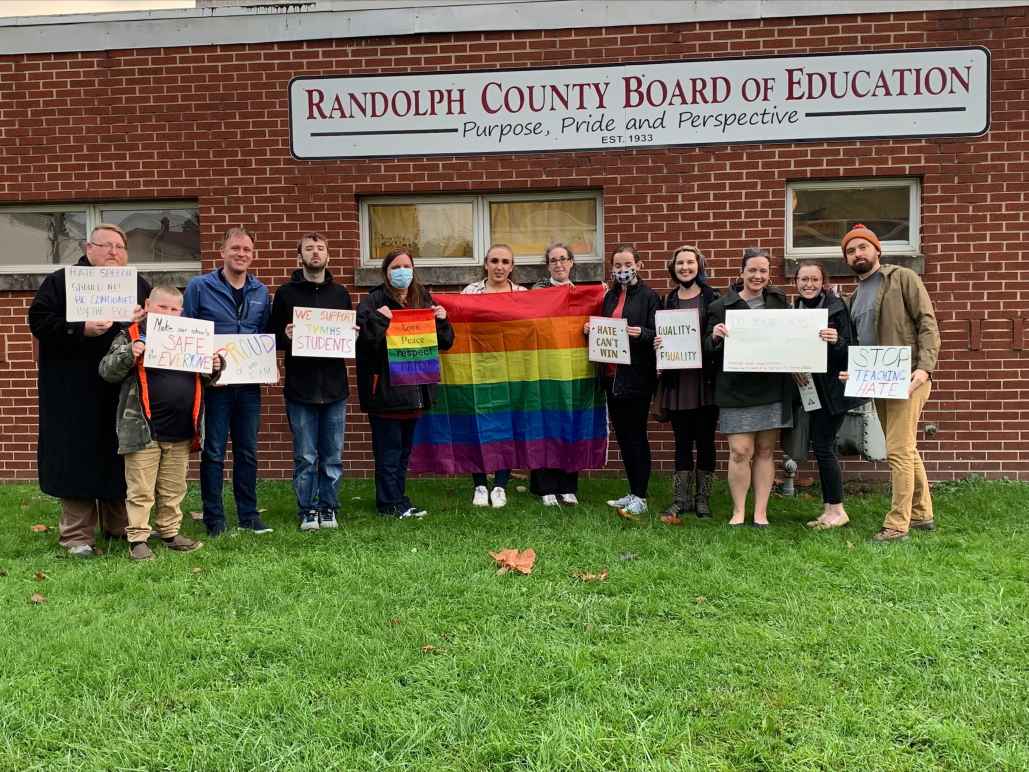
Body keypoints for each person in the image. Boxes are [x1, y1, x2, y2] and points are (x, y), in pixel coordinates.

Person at [28, 224, 149, 558]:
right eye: (106, 245)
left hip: (120, 392)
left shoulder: (137, 285)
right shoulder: (61, 282)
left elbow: (153, 328)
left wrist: (141, 319)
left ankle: (118, 526)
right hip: (72, 391)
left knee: (119, 454)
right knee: (76, 458)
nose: (113, 252)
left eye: (120, 247)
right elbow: (38, 320)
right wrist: (80, 329)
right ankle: (77, 536)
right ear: (88, 248)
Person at [99, 286, 224, 560]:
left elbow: (206, 379)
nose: (169, 313)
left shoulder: (192, 337)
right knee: (140, 489)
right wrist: (130, 353)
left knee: (173, 488)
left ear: (181, 311)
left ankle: (169, 533)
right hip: (143, 430)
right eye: (162, 307)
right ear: (148, 305)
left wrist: (215, 365)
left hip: (182, 428)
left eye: (174, 308)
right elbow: (106, 370)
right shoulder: (130, 335)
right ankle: (138, 539)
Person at [839, 224, 941, 542]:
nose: (858, 254)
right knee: (905, 448)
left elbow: (927, 323)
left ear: (877, 250)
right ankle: (923, 513)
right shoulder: (854, 296)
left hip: (908, 377)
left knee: (897, 449)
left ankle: (897, 524)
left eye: (862, 247)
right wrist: (854, 374)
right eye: (851, 250)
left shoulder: (902, 278)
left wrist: (924, 370)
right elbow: (859, 344)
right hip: (877, 382)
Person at [182, 226, 271, 536]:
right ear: (222, 252)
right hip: (213, 385)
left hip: (248, 386)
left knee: (247, 451)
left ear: (253, 255)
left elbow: (263, 336)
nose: (241, 254)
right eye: (235, 248)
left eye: (246, 250)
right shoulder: (199, 286)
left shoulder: (261, 292)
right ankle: (214, 519)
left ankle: (248, 515)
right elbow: (187, 331)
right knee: (215, 452)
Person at [356, 250, 454, 519]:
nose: (402, 271)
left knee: (401, 455)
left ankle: (399, 499)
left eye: (406, 266)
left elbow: (444, 343)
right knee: (388, 454)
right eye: (396, 267)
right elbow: (363, 344)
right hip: (386, 392)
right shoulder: (373, 301)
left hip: (415, 393)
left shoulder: (422, 298)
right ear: (386, 272)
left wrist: (443, 321)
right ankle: (389, 504)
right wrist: (379, 319)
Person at [270, 233, 354, 531]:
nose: (315, 253)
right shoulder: (285, 294)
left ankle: (329, 507)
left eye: (320, 249)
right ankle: (307, 509)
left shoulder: (341, 294)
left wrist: (351, 335)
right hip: (300, 388)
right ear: (300, 257)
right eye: (309, 249)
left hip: (335, 388)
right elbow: (272, 337)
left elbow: (347, 337)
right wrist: (287, 334)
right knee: (305, 456)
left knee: (332, 455)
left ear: (328, 256)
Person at [705, 247, 794, 528]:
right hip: (735, 389)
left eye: (763, 271)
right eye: (752, 270)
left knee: (766, 451)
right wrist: (716, 337)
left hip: (771, 387)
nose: (758, 276)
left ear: (769, 275)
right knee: (740, 451)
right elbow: (707, 348)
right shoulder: (720, 307)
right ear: (741, 272)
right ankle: (739, 510)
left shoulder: (779, 302)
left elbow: (792, 336)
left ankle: (761, 512)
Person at [587, 244, 659, 518]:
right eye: (617, 265)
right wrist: (590, 330)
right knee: (624, 438)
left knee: (637, 436)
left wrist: (640, 333)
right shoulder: (609, 296)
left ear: (638, 265)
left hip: (637, 378)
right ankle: (632, 490)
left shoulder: (650, 296)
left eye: (627, 264)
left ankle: (641, 495)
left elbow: (656, 333)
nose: (622, 270)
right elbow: (603, 330)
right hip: (611, 377)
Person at [791, 261, 864, 530]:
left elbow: (851, 350)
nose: (808, 284)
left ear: (823, 282)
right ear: (796, 282)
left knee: (824, 446)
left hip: (835, 391)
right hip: (811, 390)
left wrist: (837, 341)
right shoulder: (794, 311)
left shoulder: (836, 308)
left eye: (814, 279)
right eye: (803, 279)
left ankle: (836, 510)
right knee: (822, 446)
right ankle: (830, 509)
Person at [653, 245, 720, 520]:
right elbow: (663, 335)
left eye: (690, 263)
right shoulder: (668, 300)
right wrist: (659, 343)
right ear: (673, 268)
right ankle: (680, 499)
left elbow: (716, 341)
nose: (685, 268)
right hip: (677, 383)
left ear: (698, 265)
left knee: (705, 441)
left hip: (705, 383)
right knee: (681, 442)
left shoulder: (712, 298)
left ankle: (702, 500)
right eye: (680, 263)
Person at [461, 243, 527, 508]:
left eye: (505, 262)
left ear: (512, 267)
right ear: (486, 264)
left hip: (510, 370)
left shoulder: (522, 294)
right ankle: (479, 484)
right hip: (476, 367)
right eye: (494, 261)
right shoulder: (470, 292)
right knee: (476, 425)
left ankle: (500, 484)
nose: (499, 266)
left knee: (506, 426)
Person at [530, 242, 581, 506]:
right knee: (544, 426)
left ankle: (568, 485)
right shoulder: (538, 292)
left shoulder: (584, 294)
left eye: (564, 259)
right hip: (544, 367)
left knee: (570, 424)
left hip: (574, 368)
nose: (559, 264)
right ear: (548, 265)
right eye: (553, 260)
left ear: (572, 262)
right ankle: (545, 486)